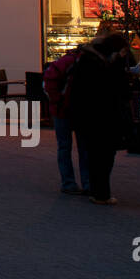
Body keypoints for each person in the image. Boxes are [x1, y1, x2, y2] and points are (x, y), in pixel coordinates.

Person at [67, 31, 135, 205]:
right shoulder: (103, 64)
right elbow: (115, 89)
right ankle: (101, 193)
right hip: (101, 117)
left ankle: (97, 190)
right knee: (103, 155)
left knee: (95, 154)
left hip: (87, 117)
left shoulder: (88, 60)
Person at [44, 48, 90, 195]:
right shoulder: (85, 62)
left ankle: (68, 182)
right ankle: (87, 182)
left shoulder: (65, 62)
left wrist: (57, 101)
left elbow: (49, 81)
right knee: (84, 148)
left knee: (64, 147)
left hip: (62, 110)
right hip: (78, 111)